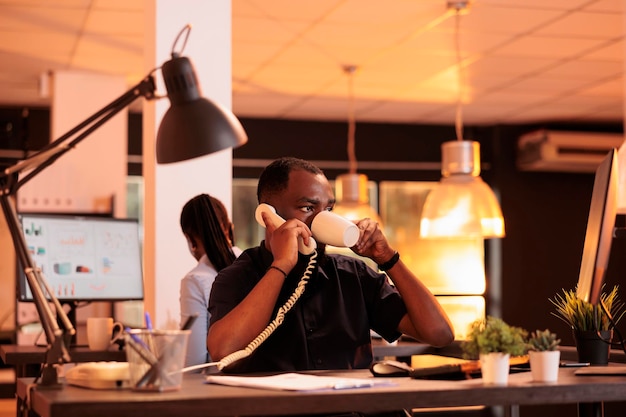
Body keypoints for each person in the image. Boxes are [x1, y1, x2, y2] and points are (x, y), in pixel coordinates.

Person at [207, 157, 454, 374]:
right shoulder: (237, 276)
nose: (321, 219)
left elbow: (439, 334)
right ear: (267, 215)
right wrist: (282, 265)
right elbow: (224, 351)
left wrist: (388, 259)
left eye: (328, 209)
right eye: (308, 208)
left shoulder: (353, 274)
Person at [179, 193, 242, 368]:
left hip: (219, 388)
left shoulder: (194, 281)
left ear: (191, 240)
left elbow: (194, 363)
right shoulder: (258, 266)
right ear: (230, 228)